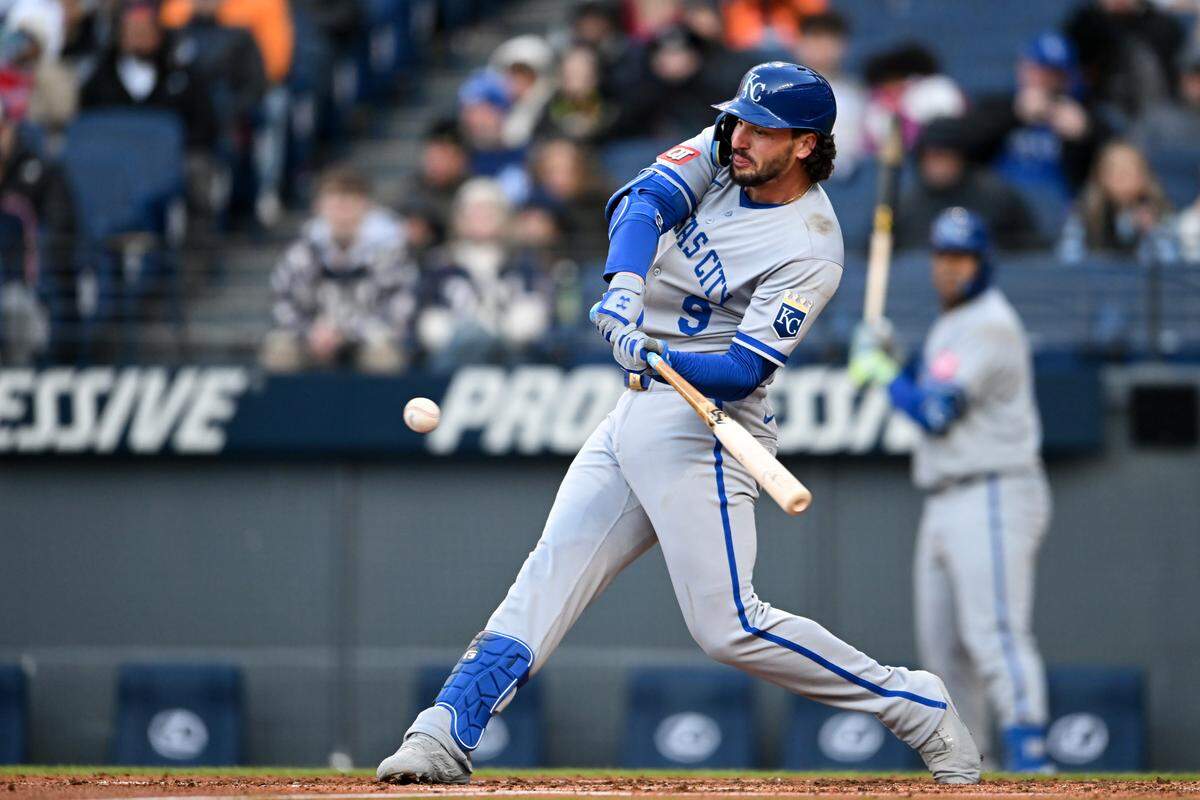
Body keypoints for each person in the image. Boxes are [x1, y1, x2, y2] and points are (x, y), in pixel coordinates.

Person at [375, 62, 981, 787]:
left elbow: (745, 368)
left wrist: (661, 354)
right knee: (548, 575)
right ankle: (443, 732)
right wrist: (626, 285)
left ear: (806, 145)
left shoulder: (812, 244)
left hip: (705, 427)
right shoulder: (725, 149)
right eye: (741, 120)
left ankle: (914, 705)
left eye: (764, 129)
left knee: (729, 627)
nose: (742, 136)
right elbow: (643, 202)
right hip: (636, 410)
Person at [848, 207, 1053, 773]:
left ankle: (1032, 754)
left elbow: (936, 412)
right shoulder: (954, 323)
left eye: (961, 257)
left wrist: (883, 373)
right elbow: (927, 383)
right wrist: (893, 359)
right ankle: (972, 762)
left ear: (982, 262)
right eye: (942, 255)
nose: (949, 267)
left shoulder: (990, 322)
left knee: (994, 635)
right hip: (945, 497)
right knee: (944, 650)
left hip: (992, 489)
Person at [261, 167, 414, 373]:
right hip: (311, 337)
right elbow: (281, 300)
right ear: (319, 206)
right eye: (335, 202)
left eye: (350, 202)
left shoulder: (390, 253)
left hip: (367, 337)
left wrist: (345, 332)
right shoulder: (302, 252)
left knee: (384, 354)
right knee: (280, 349)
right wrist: (310, 331)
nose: (342, 211)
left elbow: (398, 310)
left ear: (366, 206)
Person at [965, 32, 1109, 198]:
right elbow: (964, 146)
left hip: (1063, 204)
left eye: (1056, 74)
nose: (1046, 80)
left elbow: (1117, 156)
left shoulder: (1082, 113)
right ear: (1022, 68)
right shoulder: (998, 107)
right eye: (1040, 70)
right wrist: (1014, 115)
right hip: (1002, 203)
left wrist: (1085, 133)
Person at [894, 117, 1041, 251]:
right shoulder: (906, 205)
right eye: (931, 157)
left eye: (945, 156)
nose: (938, 166)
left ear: (961, 157)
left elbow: (1030, 251)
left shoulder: (996, 196)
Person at [1058, 139, 1175, 261]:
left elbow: (1169, 261)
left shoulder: (1159, 211)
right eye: (1113, 169)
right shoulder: (1083, 213)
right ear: (1100, 175)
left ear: (1144, 175)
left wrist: (1152, 231)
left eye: (1129, 169)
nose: (1121, 175)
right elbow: (1068, 259)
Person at [791, 10, 866, 176]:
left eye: (829, 39)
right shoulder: (782, 91)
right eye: (815, 38)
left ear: (843, 45)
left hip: (847, 177)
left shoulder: (857, 93)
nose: (822, 48)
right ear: (799, 45)